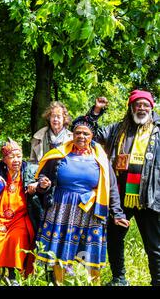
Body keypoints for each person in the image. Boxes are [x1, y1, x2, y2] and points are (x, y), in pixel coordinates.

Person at [35, 115, 130, 285]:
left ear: (92, 137)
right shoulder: (58, 154)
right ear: (72, 134)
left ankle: (94, 283)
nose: (81, 136)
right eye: (78, 133)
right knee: (59, 250)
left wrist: (117, 213)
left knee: (91, 250)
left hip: (91, 209)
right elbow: (44, 177)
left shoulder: (101, 158)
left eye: (86, 134)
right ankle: (58, 282)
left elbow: (111, 187)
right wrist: (43, 183)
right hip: (61, 208)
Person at [88, 90, 160, 286]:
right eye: (138, 104)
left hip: (149, 197)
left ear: (151, 107)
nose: (141, 108)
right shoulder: (117, 129)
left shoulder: (158, 130)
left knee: (154, 246)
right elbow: (87, 132)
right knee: (114, 238)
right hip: (119, 197)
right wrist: (95, 111)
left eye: (145, 105)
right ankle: (119, 279)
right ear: (131, 107)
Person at [0, 138, 45, 286]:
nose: (16, 160)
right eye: (11, 157)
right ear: (4, 160)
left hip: (20, 217)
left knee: (17, 237)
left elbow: (44, 182)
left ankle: (13, 275)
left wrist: (38, 185)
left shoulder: (30, 170)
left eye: (19, 156)